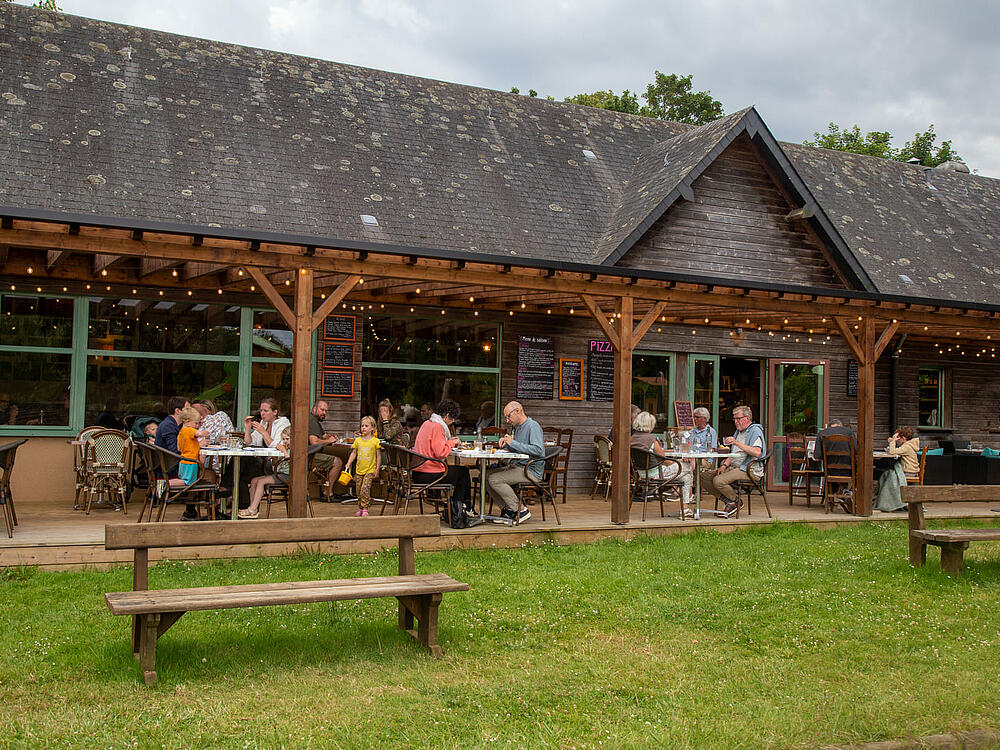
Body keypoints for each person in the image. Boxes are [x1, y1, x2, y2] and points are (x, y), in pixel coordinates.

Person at [485, 401, 546, 524]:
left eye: (508, 416)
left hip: (530, 471)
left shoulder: (532, 426)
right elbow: (519, 448)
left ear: (517, 411)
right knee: (485, 476)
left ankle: (520, 510)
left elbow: (538, 450)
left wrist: (513, 443)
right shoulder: (519, 428)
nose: (507, 420)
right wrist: (507, 443)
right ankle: (508, 510)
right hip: (518, 467)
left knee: (494, 479)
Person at [700, 405, 766, 517]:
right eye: (734, 419)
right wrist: (724, 466)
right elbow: (733, 453)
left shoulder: (755, 431)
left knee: (718, 481)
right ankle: (729, 501)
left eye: (738, 419)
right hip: (735, 467)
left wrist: (736, 442)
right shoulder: (739, 432)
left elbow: (757, 452)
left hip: (749, 469)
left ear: (747, 418)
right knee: (703, 477)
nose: (736, 422)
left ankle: (736, 501)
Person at [412, 398, 471, 510]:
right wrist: (452, 442)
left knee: (460, 472)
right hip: (429, 473)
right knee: (463, 473)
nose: (453, 421)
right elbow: (440, 453)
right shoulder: (437, 427)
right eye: (452, 418)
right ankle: (459, 508)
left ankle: (460, 507)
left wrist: (448, 442)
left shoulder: (427, 423)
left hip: (417, 471)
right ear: (447, 416)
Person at [631, 411, 693, 504]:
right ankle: (687, 500)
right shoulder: (651, 439)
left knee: (685, 476)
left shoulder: (632, 438)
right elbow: (664, 460)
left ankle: (685, 507)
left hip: (642, 474)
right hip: (656, 475)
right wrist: (675, 462)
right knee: (688, 466)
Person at [239, 429, 292, 519]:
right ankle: (253, 508)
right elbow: (277, 464)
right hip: (279, 473)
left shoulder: (293, 449)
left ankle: (252, 509)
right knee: (254, 480)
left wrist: (284, 451)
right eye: (283, 439)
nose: (285, 441)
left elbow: (291, 461)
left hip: (287, 476)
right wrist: (276, 457)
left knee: (261, 481)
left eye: (287, 439)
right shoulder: (286, 448)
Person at [308, 400, 344, 501]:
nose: (324, 413)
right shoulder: (311, 421)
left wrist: (329, 437)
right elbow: (314, 442)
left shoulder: (315, 421)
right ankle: (327, 493)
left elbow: (323, 436)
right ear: (314, 409)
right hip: (308, 457)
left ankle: (326, 490)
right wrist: (329, 440)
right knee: (337, 462)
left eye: (326, 411)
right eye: (322, 410)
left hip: (312, 455)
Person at [345, 415, 381, 517]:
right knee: (358, 490)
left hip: (370, 470)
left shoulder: (375, 441)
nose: (363, 428)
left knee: (365, 489)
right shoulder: (358, 441)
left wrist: (377, 468)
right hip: (359, 470)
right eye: (362, 426)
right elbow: (354, 453)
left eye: (366, 426)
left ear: (372, 428)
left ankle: (365, 508)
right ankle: (360, 508)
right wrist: (349, 463)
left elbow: (378, 456)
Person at [174, 406, 213, 488]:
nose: (197, 426)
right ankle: (166, 483)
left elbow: (179, 448)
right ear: (188, 422)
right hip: (190, 461)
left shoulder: (181, 432)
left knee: (184, 480)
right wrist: (206, 432)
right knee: (188, 482)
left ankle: (166, 483)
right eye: (196, 423)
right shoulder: (189, 430)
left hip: (183, 460)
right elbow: (199, 433)